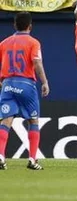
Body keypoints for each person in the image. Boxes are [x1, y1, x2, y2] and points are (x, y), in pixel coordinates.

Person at [0, 12, 49, 170]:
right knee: (33, 121)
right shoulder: (33, 42)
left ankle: (1, 156)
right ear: (30, 26)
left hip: (7, 84)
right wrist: (45, 82)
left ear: (14, 25)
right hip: (26, 84)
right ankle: (32, 160)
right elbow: (37, 63)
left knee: (6, 120)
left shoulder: (4, 43)